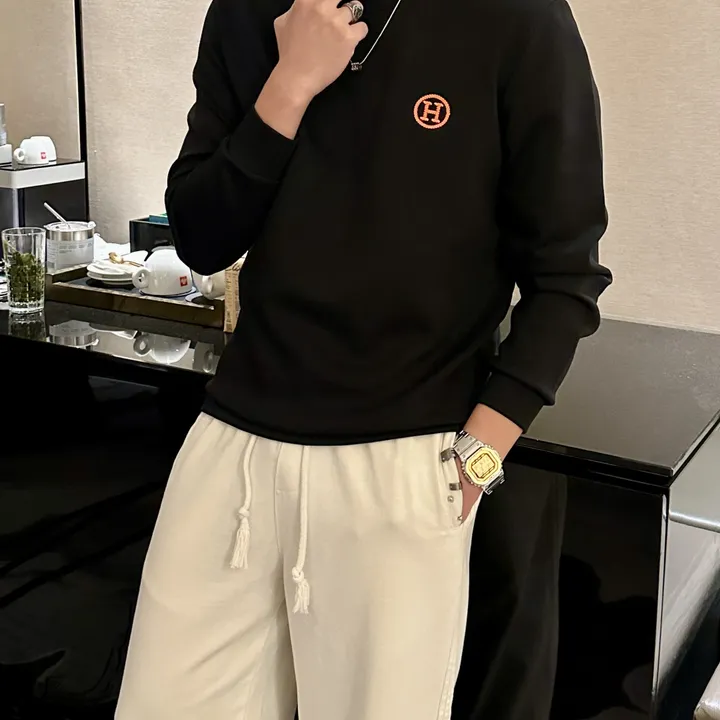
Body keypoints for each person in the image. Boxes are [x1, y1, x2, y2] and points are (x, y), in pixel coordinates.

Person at [115, 0, 612, 717]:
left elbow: (565, 279)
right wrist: (290, 84)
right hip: (234, 447)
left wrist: (472, 463)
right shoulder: (246, 12)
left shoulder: (517, 18)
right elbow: (200, 236)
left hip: (403, 465)